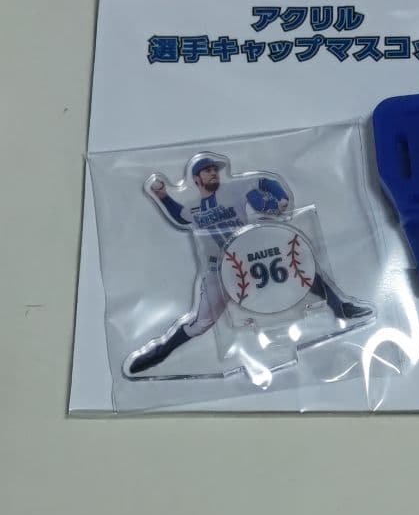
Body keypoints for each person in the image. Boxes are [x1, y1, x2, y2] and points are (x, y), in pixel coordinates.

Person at [126, 154, 372, 375]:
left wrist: (281, 198)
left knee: (297, 267)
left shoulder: (234, 188)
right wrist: (162, 196)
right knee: (200, 324)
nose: (214, 173)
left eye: (215, 169)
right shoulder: (193, 207)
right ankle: (157, 355)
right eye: (207, 170)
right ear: (197, 179)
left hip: (248, 257)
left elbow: (264, 182)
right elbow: (179, 214)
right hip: (217, 271)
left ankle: (340, 307)